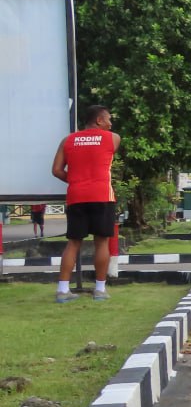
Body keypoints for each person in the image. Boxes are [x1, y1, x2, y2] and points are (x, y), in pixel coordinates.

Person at [51, 104, 121, 302]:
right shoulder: (113, 138)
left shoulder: (68, 140)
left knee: (73, 243)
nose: (110, 123)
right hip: (102, 195)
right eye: (108, 119)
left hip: (76, 196)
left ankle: (63, 291)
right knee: (102, 242)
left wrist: (76, 180)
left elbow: (56, 170)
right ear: (99, 120)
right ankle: (99, 290)